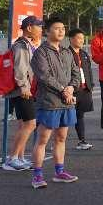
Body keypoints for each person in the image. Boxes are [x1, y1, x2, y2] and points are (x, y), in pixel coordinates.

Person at [29, 16, 81, 189]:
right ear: (47, 31)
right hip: (49, 102)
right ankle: (37, 176)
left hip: (66, 102)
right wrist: (63, 90)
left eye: (63, 28)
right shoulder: (41, 52)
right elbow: (44, 77)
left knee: (61, 138)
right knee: (43, 139)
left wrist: (71, 88)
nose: (61, 31)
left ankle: (60, 172)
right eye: (57, 28)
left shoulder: (67, 51)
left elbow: (76, 73)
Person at [2, 16, 42, 171]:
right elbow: (20, 68)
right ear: (29, 28)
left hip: (25, 90)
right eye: (38, 26)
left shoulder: (28, 44)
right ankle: (12, 159)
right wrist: (24, 87)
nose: (41, 29)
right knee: (30, 124)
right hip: (22, 91)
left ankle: (19, 157)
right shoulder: (21, 46)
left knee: (24, 124)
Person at [68, 29, 95, 151]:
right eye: (79, 38)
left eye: (83, 38)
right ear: (71, 39)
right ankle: (56, 141)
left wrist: (90, 85)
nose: (82, 41)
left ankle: (82, 141)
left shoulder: (84, 54)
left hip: (84, 90)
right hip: (71, 90)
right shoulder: (66, 53)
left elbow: (88, 70)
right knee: (64, 116)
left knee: (80, 115)